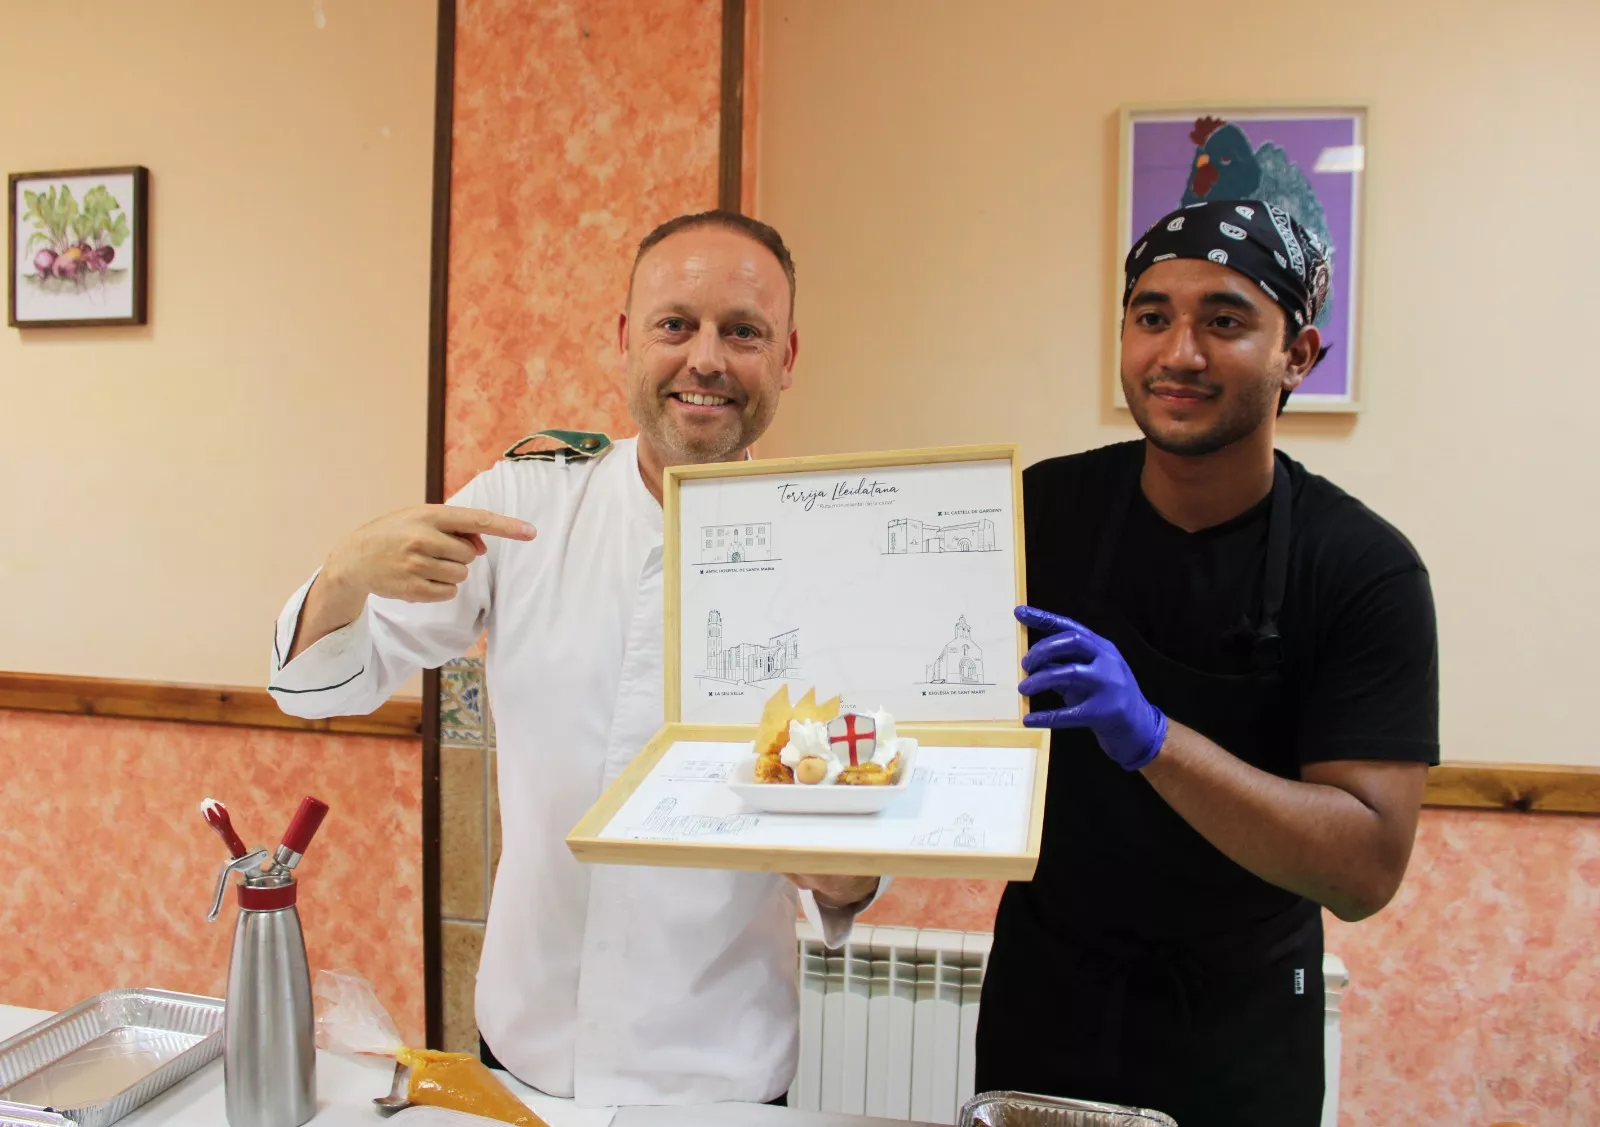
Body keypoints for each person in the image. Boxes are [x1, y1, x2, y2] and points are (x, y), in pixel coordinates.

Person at [267, 211, 882, 1107]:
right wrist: (348, 569)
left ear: (786, 358)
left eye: (742, 332)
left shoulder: (832, 555)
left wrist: (849, 872)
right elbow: (325, 686)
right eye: (676, 324)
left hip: (722, 1071)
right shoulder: (526, 500)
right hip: (525, 1047)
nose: (705, 357)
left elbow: (861, 849)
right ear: (626, 340)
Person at [975, 199, 1439, 1126]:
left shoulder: (1361, 569)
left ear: (1298, 355)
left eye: (1223, 320)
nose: (1178, 352)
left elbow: (1366, 869)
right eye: (1151, 316)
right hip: (1047, 997)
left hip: (1239, 1022)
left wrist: (1152, 738)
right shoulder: (1036, 515)